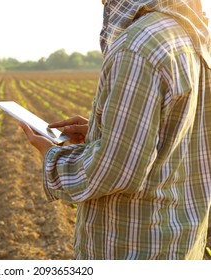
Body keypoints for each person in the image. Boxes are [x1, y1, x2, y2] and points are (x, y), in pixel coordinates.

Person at [20, 0, 211, 259]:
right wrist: (104, 132)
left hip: (133, 247)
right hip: (179, 239)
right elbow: (180, 133)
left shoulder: (137, 46)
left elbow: (116, 170)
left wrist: (53, 157)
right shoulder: (186, 32)